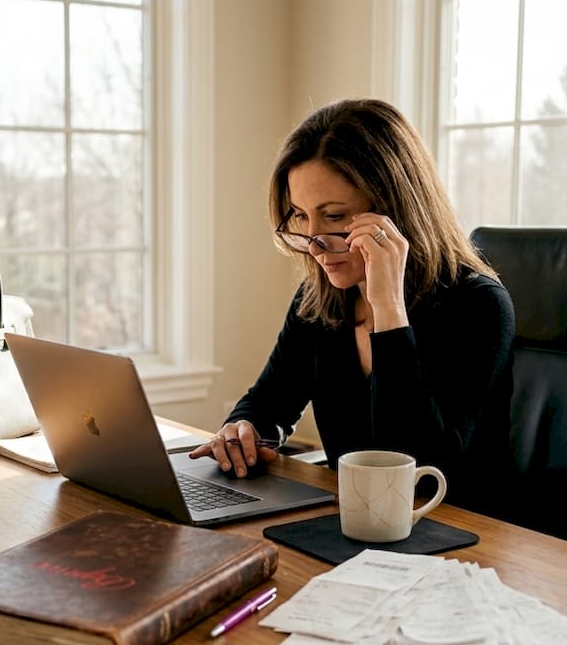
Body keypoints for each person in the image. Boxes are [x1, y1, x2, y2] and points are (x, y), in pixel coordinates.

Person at [189, 98, 514, 511]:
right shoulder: (320, 299)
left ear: (395, 210)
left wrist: (388, 309)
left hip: (457, 534)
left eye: (336, 217)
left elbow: (418, 470)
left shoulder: (478, 306)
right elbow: (269, 400)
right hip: (356, 521)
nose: (315, 245)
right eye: (302, 217)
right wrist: (243, 431)